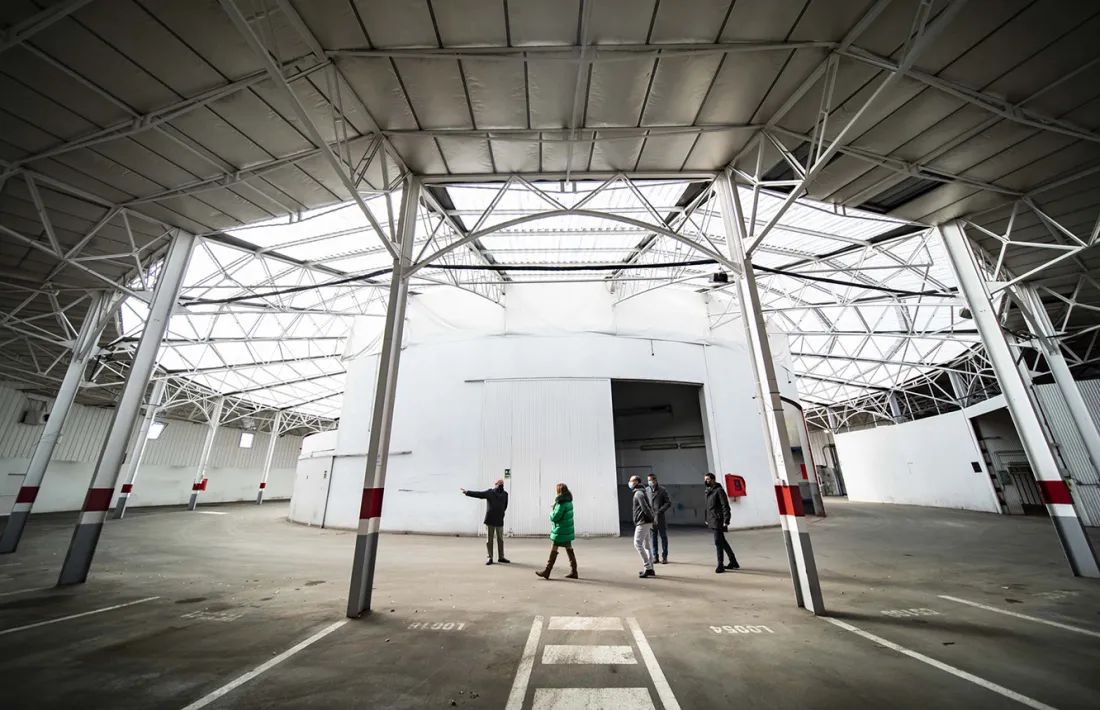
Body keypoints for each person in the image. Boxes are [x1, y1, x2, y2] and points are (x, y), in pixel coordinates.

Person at [460, 479, 510, 565]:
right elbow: (479, 494)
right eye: (499, 483)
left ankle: (501, 557)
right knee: (489, 540)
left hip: (499, 520)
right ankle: (489, 557)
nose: (501, 485)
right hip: (490, 519)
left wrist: (501, 512)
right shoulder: (490, 492)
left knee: (500, 539)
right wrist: (467, 492)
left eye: (502, 483)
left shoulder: (505, 494)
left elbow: (505, 505)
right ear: (495, 484)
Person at [535, 483, 578, 580]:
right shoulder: (569, 502)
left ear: (559, 491)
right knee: (569, 549)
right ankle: (574, 571)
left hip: (560, 530)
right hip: (567, 530)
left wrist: (552, 512)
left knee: (554, 548)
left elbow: (555, 517)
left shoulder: (561, 503)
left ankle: (547, 571)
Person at [704, 473, 739, 573]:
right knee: (722, 541)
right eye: (705, 479)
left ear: (713, 480)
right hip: (712, 519)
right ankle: (733, 561)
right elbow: (707, 506)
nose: (706, 481)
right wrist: (706, 518)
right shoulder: (708, 491)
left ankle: (720, 564)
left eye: (708, 479)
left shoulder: (719, 491)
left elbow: (725, 506)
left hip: (718, 520)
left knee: (718, 542)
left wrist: (726, 519)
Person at [629, 475, 656, 578]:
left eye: (631, 481)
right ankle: (651, 568)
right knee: (647, 545)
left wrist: (652, 518)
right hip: (646, 521)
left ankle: (647, 567)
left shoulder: (638, 493)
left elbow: (645, 507)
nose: (630, 483)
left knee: (637, 543)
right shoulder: (642, 492)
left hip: (643, 522)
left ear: (636, 482)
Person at [646, 473, 672, 564]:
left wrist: (660, 511)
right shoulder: (647, 490)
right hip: (651, 518)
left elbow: (668, 503)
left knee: (663, 537)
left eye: (650, 480)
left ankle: (664, 556)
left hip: (660, 517)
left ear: (655, 481)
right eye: (648, 480)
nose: (649, 482)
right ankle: (655, 556)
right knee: (653, 538)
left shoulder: (662, 490)